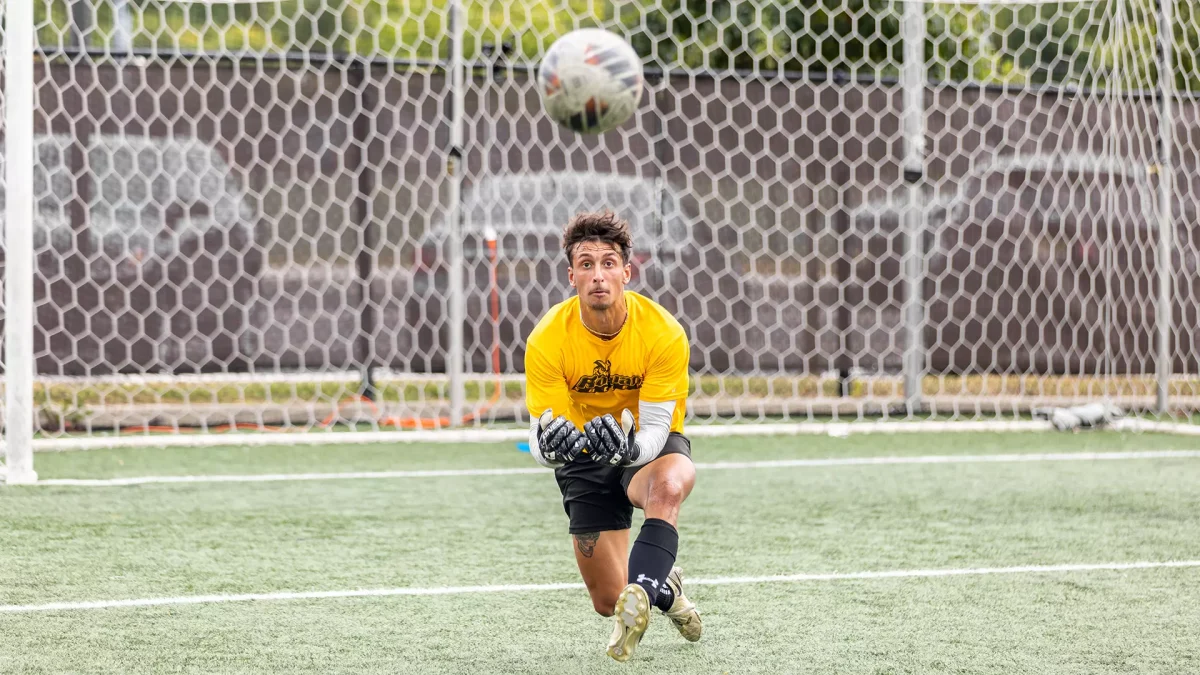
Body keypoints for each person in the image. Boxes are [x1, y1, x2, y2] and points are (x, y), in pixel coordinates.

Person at [524, 210, 702, 662]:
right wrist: (548, 448)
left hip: (643, 444)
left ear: (627, 270)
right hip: (584, 456)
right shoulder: (547, 339)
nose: (598, 275)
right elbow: (542, 435)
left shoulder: (663, 333)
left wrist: (629, 448)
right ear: (571, 276)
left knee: (670, 483)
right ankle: (663, 590)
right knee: (606, 600)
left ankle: (641, 592)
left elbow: (659, 429)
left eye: (608, 263)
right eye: (586, 264)